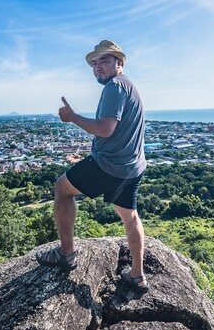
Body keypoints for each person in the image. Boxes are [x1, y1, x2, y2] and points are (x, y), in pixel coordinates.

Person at [36, 40, 149, 293]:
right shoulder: (129, 86)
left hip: (109, 165)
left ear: (119, 62)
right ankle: (137, 276)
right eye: (94, 63)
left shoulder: (115, 86)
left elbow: (105, 129)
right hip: (132, 166)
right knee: (130, 216)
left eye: (104, 61)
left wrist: (72, 117)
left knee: (62, 189)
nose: (97, 67)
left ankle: (66, 255)